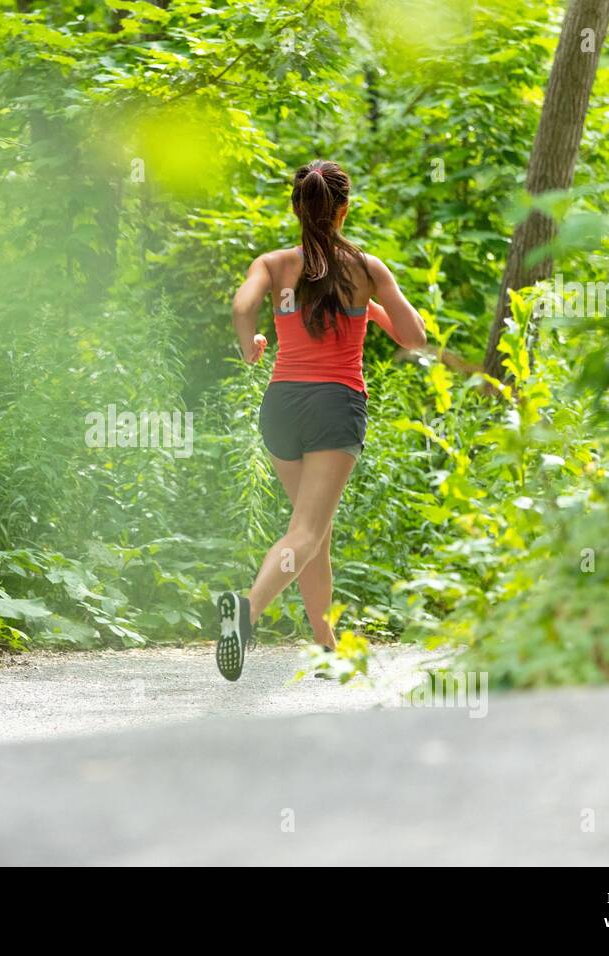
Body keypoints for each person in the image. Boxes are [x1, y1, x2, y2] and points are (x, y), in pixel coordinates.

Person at [215, 159, 427, 682]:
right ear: (343, 210)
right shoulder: (366, 268)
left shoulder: (272, 264)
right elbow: (415, 338)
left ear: (296, 207)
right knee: (307, 530)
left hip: (282, 405)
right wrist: (373, 310)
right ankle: (245, 612)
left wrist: (251, 347)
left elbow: (243, 308)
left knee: (312, 533)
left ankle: (325, 644)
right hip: (335, 405)